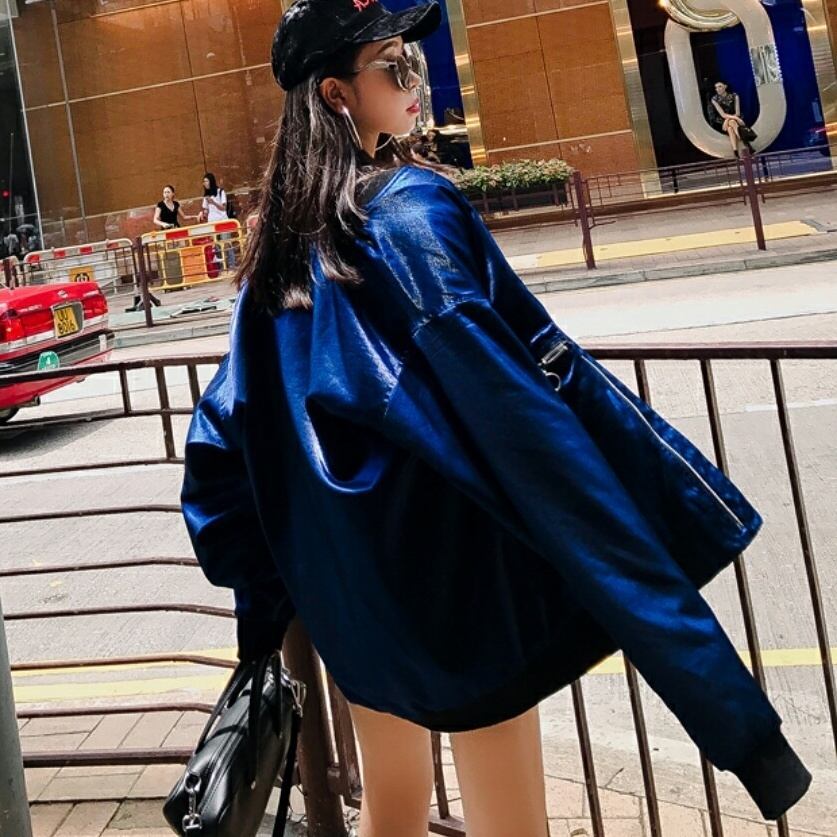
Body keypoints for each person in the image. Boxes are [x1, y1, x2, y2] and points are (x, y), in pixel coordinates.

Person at [180, 2, 811, 835]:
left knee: (391, 808)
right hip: (456, 594)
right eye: (395, 64)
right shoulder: (409, 213)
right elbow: (523, 422)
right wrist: (743, 730)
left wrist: (268, 614)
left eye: (413, 59)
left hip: (352, 603)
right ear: (336, 94)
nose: (416, 78)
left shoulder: (281, 248)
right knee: (510, 821)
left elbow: (224, 442)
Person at [200, 172, 236, 268]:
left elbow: (224, 208)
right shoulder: (206, 196)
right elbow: (206, 210)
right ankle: (221, 266)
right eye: (203, 182)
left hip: (222, 221)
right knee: (215, 246)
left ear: (211, 181)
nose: (204, 183)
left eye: (206, 181)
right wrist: (203, 213)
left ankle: (232, 265)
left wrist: (213, 203)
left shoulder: (220, 192)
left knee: (226, 243)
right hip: (212, 223)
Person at [710, 81, 754, 158]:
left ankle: (736, 152)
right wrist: (732, 119)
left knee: (731, 128)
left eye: (720, 86)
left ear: (725, 86)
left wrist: (734, 118)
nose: (717, 89)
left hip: (734, 119)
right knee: (732, 122)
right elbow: (723, 115)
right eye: (716, 87)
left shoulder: (734, 96)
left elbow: (738, 113)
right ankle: (747, 144)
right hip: (722, 122)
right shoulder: (714, 99)